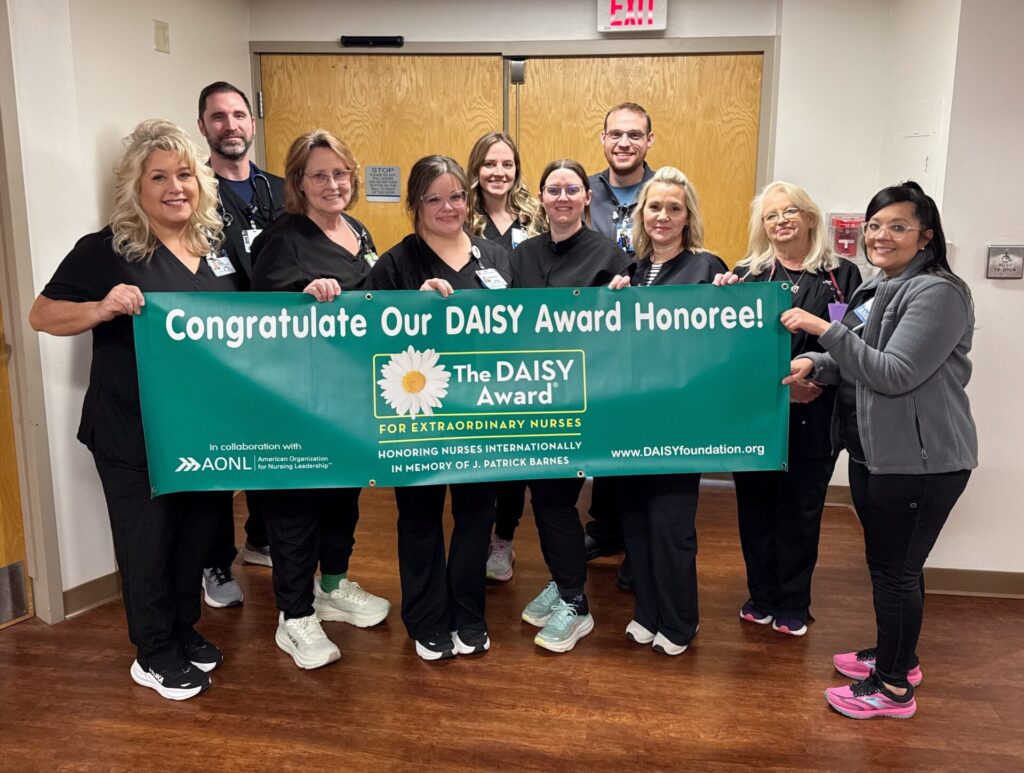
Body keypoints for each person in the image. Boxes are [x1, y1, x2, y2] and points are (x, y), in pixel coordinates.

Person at [29, 119, 242, 700]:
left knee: (194, 537)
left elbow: (256, 318)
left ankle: (182, 630)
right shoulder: (106, 249)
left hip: (203, 431)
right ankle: (152, 653)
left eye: (184, 175)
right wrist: (101, 308)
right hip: (133, 428)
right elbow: (42, 315)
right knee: (148, 542)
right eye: (159, 177)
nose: (176, 187)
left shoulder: (218, 248)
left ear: (200, 182)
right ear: (136, 188)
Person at [780, 181, 976, 720]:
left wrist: (823, 330)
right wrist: (814, 363)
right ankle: (897, 657)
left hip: (921, 462)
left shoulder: (938, 293)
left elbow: (894, 373)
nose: (880, 235)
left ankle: (892, 689)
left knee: (897, 571)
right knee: (888, 566)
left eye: (897, 226)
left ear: (926, 236)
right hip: (873, 455)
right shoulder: (878, 287)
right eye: (874, 225)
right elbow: (853, 357)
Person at [249, 129, 390, 670]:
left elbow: (377, 302)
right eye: (318, 175)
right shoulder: (281, 240)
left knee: (342, 498)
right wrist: (300, 300)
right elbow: (259, 326)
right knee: (297, 505)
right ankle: (294, 614)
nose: (332, 184)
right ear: (298, 183)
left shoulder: (359, 229)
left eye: (340, 173)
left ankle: (332, 585)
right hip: (298, 401)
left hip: (352, 396)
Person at [367, 155, 510, 661]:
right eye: (434, 198)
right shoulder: (395, 263)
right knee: (420, 517)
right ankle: (426, 618)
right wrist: (410, 305)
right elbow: (367, 336)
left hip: (482, 415)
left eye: (455, 196)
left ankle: (468, 614)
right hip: (417, 418)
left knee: (476, 517)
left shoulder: (498, 258)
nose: (447, 207)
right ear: (415, 205)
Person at [714, 182, 862, 638]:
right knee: (755, 508)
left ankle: (794, 602)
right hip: (758, 413)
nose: (781, 221)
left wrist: (810, 378)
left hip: (816, 414)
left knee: (800, 512)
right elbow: (729, 353)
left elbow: (852, 344)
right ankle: (761, 597)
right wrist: (719, 298)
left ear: (811, 217)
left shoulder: (843, 276)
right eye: (771, 215)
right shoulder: (746, 274)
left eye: (790, 211)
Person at [512, 159, 632, 652]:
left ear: (587, 197)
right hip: (528, 398)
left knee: (556, 500)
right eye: (552, 189)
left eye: (572, 189)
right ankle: (563, 580)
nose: (562, 197)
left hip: (580, 403)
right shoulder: (520, 256)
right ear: (540, 198)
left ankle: (575, 604)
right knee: (543, 501)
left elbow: (621, 337)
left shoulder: (610, 258)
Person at [607, 167, 726, 655]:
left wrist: (730, 295)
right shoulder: (630, 271)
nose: (662, 216)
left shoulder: (707, 267)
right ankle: (648, 613)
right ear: (641, 213)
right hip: (632, 418)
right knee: (633, 521)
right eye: (654, 207)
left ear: (687, 216)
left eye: (674, 208)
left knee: (671, 525)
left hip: (680, 422)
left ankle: (680, 623)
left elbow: (724, 332)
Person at [196, 81, 286, 605]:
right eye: (218, 117)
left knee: (271, 448)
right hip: (221, 348)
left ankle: (260, 537)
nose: (230, 125)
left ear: (253, 124)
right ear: (203, 126)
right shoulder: (195, 192)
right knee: (222, 455)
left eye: (239, 115)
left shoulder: (278, 189)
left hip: (276, 348)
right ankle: (215, 563)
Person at [585, 103, 656, 575]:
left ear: (649, 140)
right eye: (615, 134)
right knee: (602, 424)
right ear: (603, 139)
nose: (624, 143)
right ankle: (604, 526)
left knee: (641, 431)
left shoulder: (664, 188)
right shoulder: (582, 191)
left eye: (634, 135)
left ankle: (638, 541)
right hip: (594, 334)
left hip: (648, 335)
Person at [466, 132, 540, 583]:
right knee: (478, 451)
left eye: (507, 164)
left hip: (524, 352)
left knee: (514, 455)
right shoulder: (461, 215)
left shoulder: (535, 216)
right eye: (490, 164)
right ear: (476, 169)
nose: (499, 172)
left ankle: (504, 538)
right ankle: (473, 533)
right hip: (474, 353)